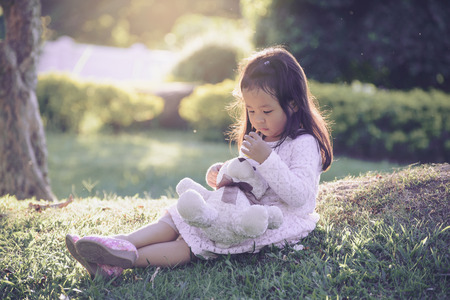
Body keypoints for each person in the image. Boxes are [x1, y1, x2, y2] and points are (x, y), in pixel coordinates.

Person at [66, 46, 333, 278]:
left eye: (266, 111)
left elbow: (301, 199)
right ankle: (116, 244)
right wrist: (224, 174)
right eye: (251, 111)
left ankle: (123, 261)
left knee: (191, 242)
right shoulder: (262, 135)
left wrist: (266, 158)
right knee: (178, 218)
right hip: (238, 205)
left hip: (270, 220)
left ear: (294, 104)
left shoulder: (303, 143)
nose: (258, 119)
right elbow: (248, 174)